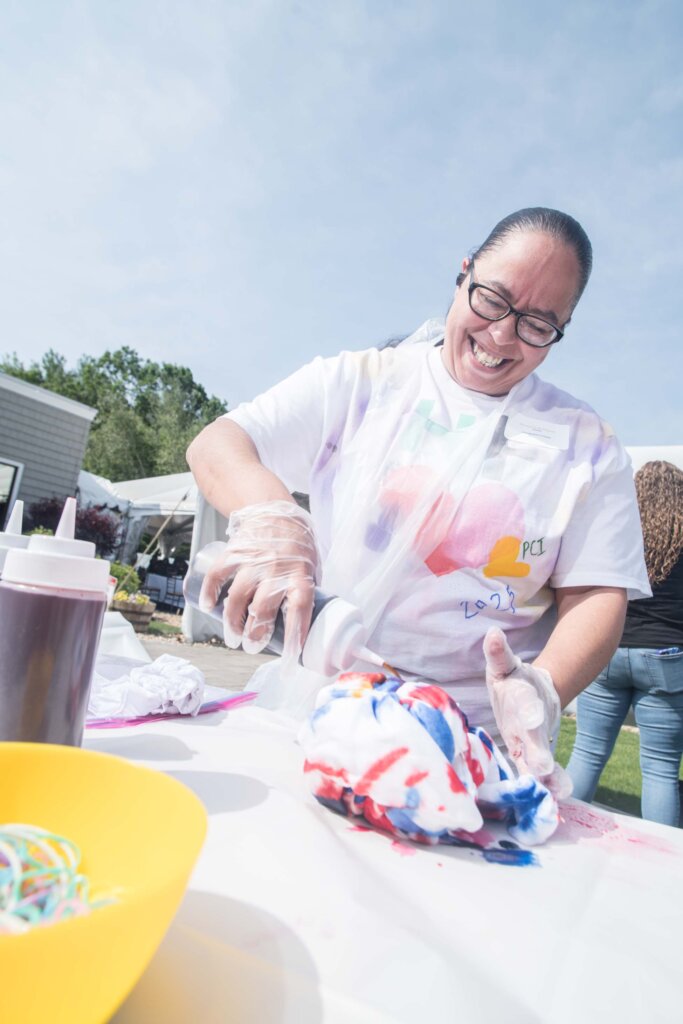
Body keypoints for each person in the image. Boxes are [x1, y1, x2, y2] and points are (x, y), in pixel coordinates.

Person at [187, 207, 650, 789]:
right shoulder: (364, 382)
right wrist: (275, 519)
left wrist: (544, 687)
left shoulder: (587, 445)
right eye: (492, 299)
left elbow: (598, 593)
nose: (502, 335)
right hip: (321, 705)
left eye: (538, 323)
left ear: (562, 329)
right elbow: (219, 443)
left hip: (468, 745)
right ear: (464, 274)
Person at [567, 461, 683, 826]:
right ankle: (662, 866)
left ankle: (555, 834)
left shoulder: (617, 532)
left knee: (587, 752)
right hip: (666, 658)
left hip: (609, 651)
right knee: (660, 768)